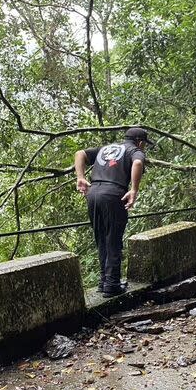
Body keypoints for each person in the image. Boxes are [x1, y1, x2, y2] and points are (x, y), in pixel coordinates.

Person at [74, 127, 151, 297]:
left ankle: (104, 282)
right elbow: (138, 163)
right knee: (113, 238)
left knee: (101, 237)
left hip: (93, 193)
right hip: (113, 194)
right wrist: (134, 190)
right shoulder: (134, 150)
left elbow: (80, 153)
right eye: (144, 144)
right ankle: (112, 285)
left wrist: (80, 177)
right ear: (140, 142)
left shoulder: (106, 148)